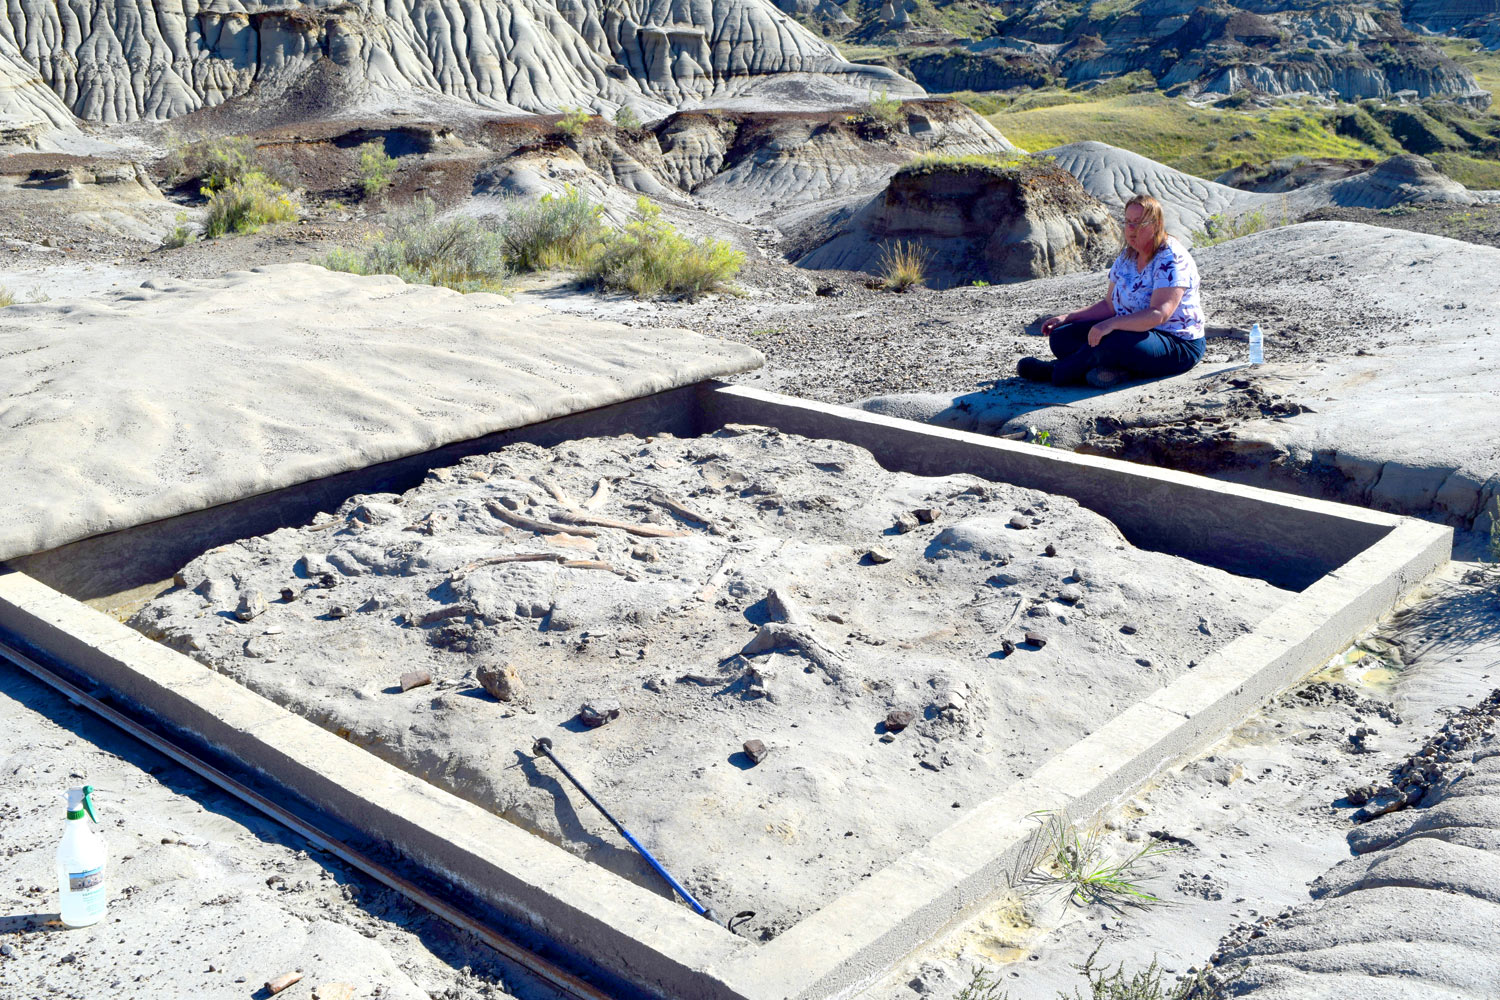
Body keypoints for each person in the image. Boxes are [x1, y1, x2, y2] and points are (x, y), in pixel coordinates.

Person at [1017, 194, 1205, 389]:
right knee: (1061, 337)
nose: (1131, 229)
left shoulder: (1170, 257)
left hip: (1176, 342)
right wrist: (1068, 317)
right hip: (1134, 334)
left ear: (1156, 224)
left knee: (1112, 341)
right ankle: (1111, 372)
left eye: (1139, 223)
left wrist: (1112, 324)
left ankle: (1057, 372)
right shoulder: (1128, 255)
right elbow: (1109, 305)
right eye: (1128, 222)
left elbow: (1159, 314)